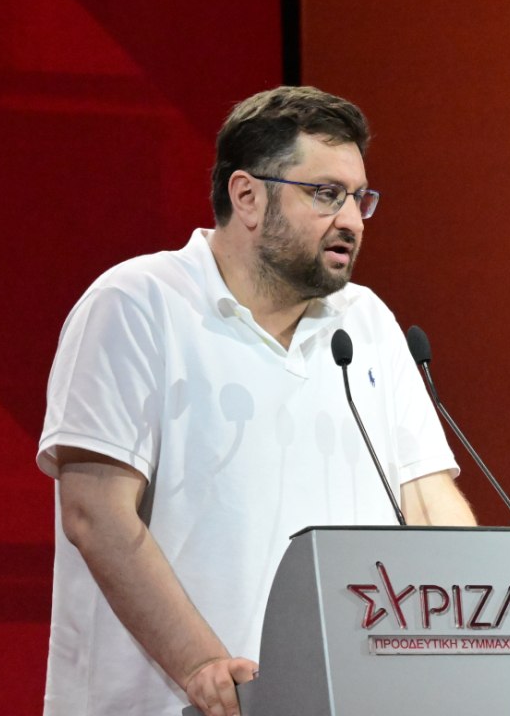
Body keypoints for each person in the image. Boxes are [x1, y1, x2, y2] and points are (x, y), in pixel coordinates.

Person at [37, 86, 477, 716]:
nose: (352, 221)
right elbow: (95, 514)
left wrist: (472, 636)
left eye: (359, 197)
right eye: (325, 193)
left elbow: (428, 502)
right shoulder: (137, 304)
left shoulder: (368, 323)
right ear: (247, 196)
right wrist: (203, 666)